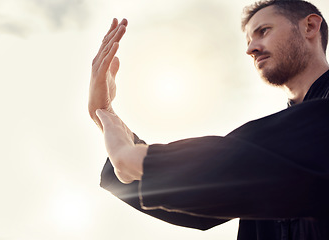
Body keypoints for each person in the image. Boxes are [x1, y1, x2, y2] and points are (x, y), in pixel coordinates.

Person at [88, 0, 329, 239]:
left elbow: (233, 162)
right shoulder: (263, 162)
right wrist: (104, 115)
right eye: (248, 41)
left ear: (310, 26)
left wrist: (133, 158)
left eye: (263, 31)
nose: (251, 49)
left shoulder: (285, 142)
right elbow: (201, 196)